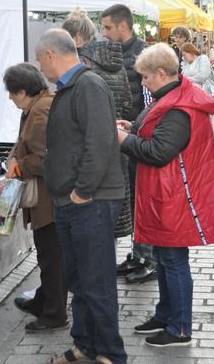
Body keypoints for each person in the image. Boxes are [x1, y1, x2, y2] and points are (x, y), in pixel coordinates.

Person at [117, 43, 214, 347]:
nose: (142, 82)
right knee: (166, 259)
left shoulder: (179, 107)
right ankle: (165, 315)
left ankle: (179, 327)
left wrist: (125, 140)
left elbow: (159, 151)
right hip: (167, 192)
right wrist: (133, 128)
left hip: (176, 195)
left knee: (174, 260)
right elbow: (154, 132)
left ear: (162, 73)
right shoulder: (169, 96)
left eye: (145, 77)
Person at [36, 29, 126, 364]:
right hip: (71, 200)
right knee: (78, 279)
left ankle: (111, 353)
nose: (40, 66)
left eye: (39, 58)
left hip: (91, 201)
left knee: (96, 280)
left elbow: (100, 143)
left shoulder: (88, 85)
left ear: (49, 55)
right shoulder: (70, 87)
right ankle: (85, 345)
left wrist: (82, 191)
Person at [4, 63, 68, 333]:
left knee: (51, 256)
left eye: (11, 92)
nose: (9, 98)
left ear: (22, 91)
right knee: (48, 254)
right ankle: (45, 300)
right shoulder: (39, 105)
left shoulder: (41, 109)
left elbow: (45, 157)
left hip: (49, 198)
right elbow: (25, 145)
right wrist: (14, 158)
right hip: (48, 197)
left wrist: (19, 166)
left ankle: (54, 314)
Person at [62, 9, 133, 240]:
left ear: (77, 39)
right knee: (109, 222)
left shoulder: (84, 66)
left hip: (91, 149)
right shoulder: (118, 63)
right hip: (118, 144)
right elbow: (128, 101)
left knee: (93, 223)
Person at [101, 4, 157, 284]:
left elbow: (151, 102)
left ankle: (150, 258)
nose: (105, 33)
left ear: (123, 26)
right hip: (124, 136)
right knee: (133, 199)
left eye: (108, 27)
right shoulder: (112, 52)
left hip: (140, 139)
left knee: (143, 199)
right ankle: (138, 253)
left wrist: (139, 129)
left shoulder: (144, 54)